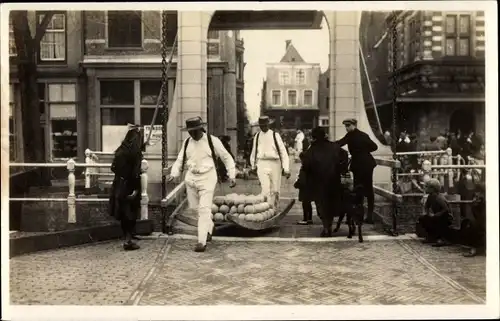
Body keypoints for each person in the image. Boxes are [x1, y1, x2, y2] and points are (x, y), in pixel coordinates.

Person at [169, 117, 236, 252]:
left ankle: (201, 241)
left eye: (195, 131)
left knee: (204, 209)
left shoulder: (212, 141)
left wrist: (232, 175)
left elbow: (226, 157)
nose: (192, 134)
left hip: (207, 177)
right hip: (191, 178)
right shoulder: (187, 142)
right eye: (190, 131)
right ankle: (209, 228)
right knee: (195, 209)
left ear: (201, 128)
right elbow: (180, 159)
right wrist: (174, 173)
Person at [302, 127, 349, 237]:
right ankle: (329, 226)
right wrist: (342, 169)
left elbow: (306, 165)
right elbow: (345, 155)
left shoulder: (312, 149)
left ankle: (326, 227)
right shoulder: (334, 146)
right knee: (331, 204)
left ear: (314, 137)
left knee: (321, 205)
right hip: (333, 180)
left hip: (318, 182)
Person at [335, 118, 378, 224]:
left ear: (354, 125)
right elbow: (340, 143)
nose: (347, 128)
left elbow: (375, 147)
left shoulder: (355, 135)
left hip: (362, 164)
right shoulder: (360, 135)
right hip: (365, 163)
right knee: (363, 189)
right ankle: (363, 216)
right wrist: (364, 151)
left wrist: (360, 152)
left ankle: (365, 216)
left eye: (348, 126)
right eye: (346, 126)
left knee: (362, 188)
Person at [109, 124, 144, 251]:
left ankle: (127, 238)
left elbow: (112, 167)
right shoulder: (136, 153)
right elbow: (135, 172)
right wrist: (135, 189)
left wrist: (121, 175)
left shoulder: (120, 150)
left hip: (119, 184)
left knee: (123, 213)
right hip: (130, 185)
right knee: (131, 213)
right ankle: (129, 241)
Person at [250, 116, 291, 210]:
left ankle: (274, 209)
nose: (263, 127)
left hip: (275, 164)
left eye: (265, 125)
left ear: (268, 124)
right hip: (261, 163)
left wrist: (286, 168)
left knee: (275, 190)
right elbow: (254, 151)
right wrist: (253, 165)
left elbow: (283, 152)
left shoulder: (275, 135)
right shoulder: (257, 136)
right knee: (265, 189)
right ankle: (266, 210)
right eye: (261, 125)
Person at [418, 179, 453, 247]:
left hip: (445, 218)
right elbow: (426, 206)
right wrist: (428, 214)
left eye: (427, 187)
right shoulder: (430, 197)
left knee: (438, 220)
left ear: (433, 188)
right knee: (423, 218)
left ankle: (442, 239)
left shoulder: (439, 198)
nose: (425, 188)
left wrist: (435, 215)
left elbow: (446, 209)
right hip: (436, 216)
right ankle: (431, 237)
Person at [294, 151, 313, 225]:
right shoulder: (310, 167)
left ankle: (305, 219)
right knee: (308, 204)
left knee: (305, 204)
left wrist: (297, 184)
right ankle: (310, 219)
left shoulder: (304, 168)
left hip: (304, 189)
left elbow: (302, 179)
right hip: (309, 188)